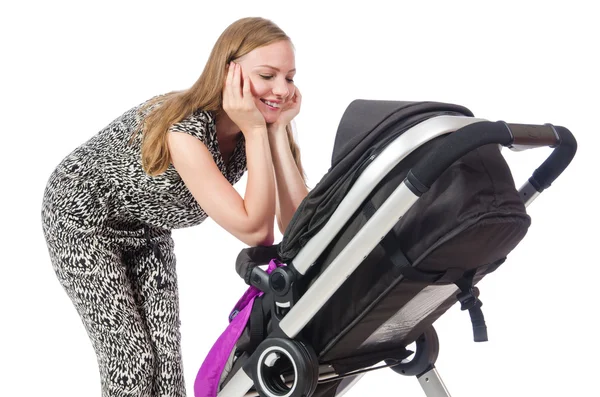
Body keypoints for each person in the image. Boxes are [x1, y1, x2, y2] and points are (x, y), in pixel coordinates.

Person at [41, 17, 308, 397]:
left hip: (146, 229)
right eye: (267, 75)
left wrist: (277, 130)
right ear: (228, 72)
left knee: (166, 365)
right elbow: (256, 232)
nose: (281, 90)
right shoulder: (185, 130)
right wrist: (254, 130)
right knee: (131, 358)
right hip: (81, 220)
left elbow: (297, 225)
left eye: (290, 77)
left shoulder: (258, 125)